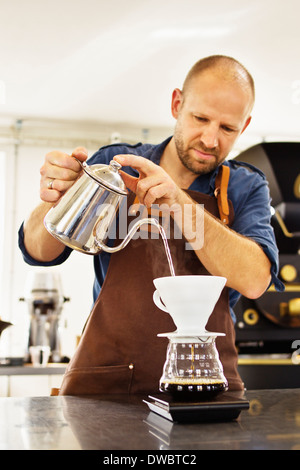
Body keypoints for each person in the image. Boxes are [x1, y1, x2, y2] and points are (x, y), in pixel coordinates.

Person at [19, 55, 283, 395]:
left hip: (204, 382)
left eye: (227, 128)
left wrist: (179, 203)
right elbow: (38, 251)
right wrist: (56, 198)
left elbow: (255, 280)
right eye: (200, 118)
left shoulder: (245, 187)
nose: (210, 139)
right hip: (107, 386)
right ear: (177, 104)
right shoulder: (115, 165)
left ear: (244, 127)